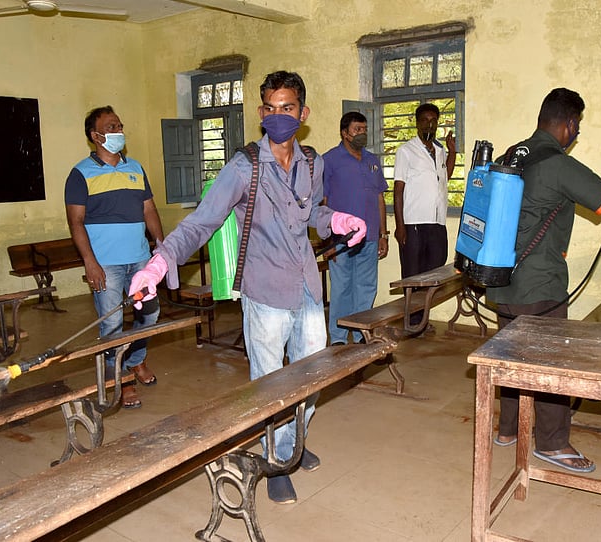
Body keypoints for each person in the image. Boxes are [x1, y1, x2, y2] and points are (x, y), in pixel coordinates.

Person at [127, 71, 366, 504]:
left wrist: (336, 220)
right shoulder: (244, 166)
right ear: (261, 113)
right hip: (265, 289)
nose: (279, 116)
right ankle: (274, 460)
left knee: (312, 378)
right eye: (271, 108)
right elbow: (202, 222)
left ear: (303, 113)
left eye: (288, 107)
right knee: (270, 383)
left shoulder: (315, 163)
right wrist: (158, 262)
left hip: (308, 287)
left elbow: (312, 214)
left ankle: (294, 442)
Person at [486, 88, 601, 473]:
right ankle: (552, 444)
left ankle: (508, 429)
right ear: (569, 124)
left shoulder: (512, 154)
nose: (576, 133)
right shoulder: (557, 163)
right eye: (577, 126)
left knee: (513, 357)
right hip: (539, 285)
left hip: (501, 280)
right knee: (551, 366)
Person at [65, 105, 164, 410]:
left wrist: (162, 247)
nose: (118, 131)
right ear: (95, 136)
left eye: (119, 125)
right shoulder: (81, 174)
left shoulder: (135, 168)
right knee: (112, 326)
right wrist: (89, 263)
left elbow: (148, 209)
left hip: (140, 261)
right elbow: (76, 222)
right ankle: (121, 381)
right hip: (105, 264)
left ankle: (136, 360)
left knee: (149, 315)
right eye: (110, 127)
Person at [323, 111, 389, 346]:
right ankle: (339, 337)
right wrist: (326, 240)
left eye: (364, 129)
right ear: (344, 133)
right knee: (341, 288)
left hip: (370, 237)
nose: (362, 133)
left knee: (366, 288)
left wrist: (383, 234)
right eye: (357, 130)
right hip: (340, 239)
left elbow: (380, 198)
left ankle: (362, 334)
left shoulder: (372, 161)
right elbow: (322, 202)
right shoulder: (329, 160)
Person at [393, 103, 457, 326]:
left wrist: (452, 153)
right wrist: (400, 226)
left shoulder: (439, 151)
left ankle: (424, 318)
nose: (429, 124)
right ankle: (412, 319)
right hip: (413, 223)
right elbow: (398, 190)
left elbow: (444, 178)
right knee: (413, 274)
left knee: (434, 272)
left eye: (434, 121)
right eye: (425, 120)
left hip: (436, 222)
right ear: (417, 123)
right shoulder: (406, 151)